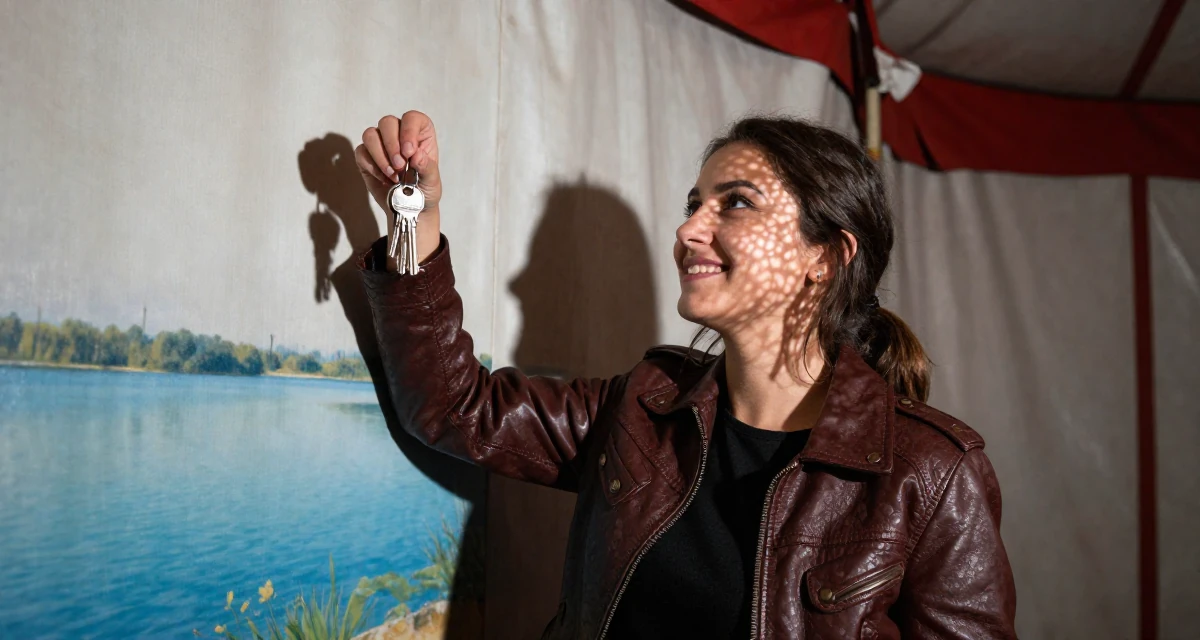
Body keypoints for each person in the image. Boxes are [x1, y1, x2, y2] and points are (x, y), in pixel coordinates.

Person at [353, 111, 1018, 639]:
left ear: (826, 256)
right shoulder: (642, 407)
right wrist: (413, 218)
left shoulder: (933, 473)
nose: (689, 228)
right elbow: (453, 407)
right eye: (694, 202)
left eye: (735, 204)